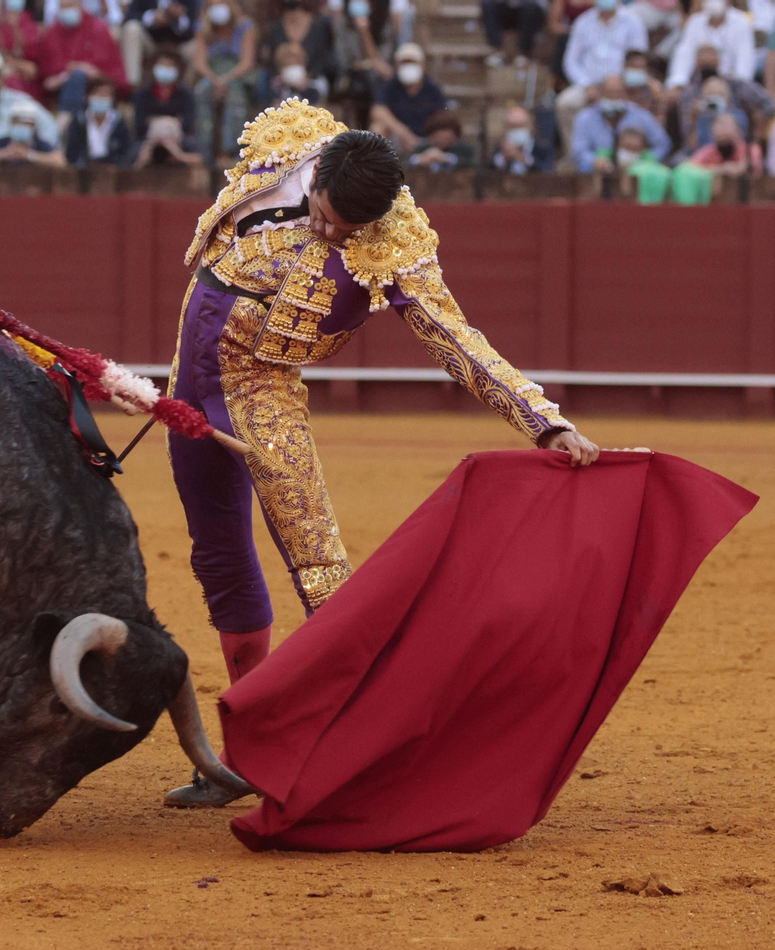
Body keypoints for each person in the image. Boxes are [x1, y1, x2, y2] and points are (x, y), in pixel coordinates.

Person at [160, 100, 597, 809]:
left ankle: (366, 751)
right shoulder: (293, 140)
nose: (328, 231)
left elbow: (458, 341)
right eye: (324, 214)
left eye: (344, 228)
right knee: (218, 557)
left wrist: (544, 423)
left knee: (321, 570)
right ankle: (249, 753)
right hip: (189, 380)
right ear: (315, 175)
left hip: (262, 390)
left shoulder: (395, 247)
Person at [556, 0, 647, 142]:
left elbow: (638, 59)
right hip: (589, 84)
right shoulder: (583, 21)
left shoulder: (633, 21)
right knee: (566, 103)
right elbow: (571, 61)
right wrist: (586, 85)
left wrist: (617, 84)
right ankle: (575, 154)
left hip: (622, 85)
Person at [35, 0, 128, 115]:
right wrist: (67, 74)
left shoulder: (98, 28)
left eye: (71, 6)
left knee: (79, 77)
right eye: (63, 8)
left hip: (95, 86)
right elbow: (48, 77)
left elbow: (108, 68)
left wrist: (82, 69)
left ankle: (67, 119)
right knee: (75, 77)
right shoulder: (52, 33)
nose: (67, 11)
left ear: (80, 5)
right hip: (62, 87)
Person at [190, 0, 257, 159]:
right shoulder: (203, 28)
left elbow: (247, 62)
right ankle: (205, 148)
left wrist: (226, 79)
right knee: (202, 92)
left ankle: (231, 150)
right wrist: (214, 79)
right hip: (212, 74)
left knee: (235, 96)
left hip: (238, 75)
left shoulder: (245, 27)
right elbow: (200, 62)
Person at [572, 73, 669, 171]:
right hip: (597, 168)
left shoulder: (641, 115)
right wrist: (595, 161)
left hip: (635, 166)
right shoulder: (585, 117)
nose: (614, 98)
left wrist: (648, 158)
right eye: (609, 93)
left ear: (625, 93)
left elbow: (663, 143)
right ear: (600, 93)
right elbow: (579, 150)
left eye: (617, 93)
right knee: (585, 167)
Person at [370, 42, 446, 154]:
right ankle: (378, 167)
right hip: (398, 138)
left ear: (422, 65)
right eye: (404, 63)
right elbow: (377, 111)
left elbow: (442, 116)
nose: (408, 67)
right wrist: (403, 133)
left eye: (412, 63)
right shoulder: (390, 86)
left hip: (426, 140)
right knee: (377, 128)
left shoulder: (433, 89)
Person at [666, 0, 754, 87]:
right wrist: (678, 83)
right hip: (698, 85)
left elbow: (744, 66)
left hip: (730, 86)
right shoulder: (695, 22)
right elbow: (683, 57)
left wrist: (735, 87)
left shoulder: (742, 23)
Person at [132, 49, 198, 163]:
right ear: (154, 68)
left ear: (177, 69)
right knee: (132, 153)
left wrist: (174, 144)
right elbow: (140, 125)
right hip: (149, 140)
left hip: (179, 140)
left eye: (169, 66)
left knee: (195, 147)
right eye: (162, 65)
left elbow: (188, 123)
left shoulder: (186, 95)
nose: (165, 69)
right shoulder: (142, 95)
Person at [258, 0, 336, 96]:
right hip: (281, 81)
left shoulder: (320, 26)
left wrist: (307, 78)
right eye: (290, 6)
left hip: (312, 80)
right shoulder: (274, 28)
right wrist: (285, 78)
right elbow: (268, 60)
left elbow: (325, 57)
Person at [120, 0, 197, 89]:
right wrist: (152, 17)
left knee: (195, 46)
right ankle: (132, 84)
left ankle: (185, 91)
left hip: (177, 45)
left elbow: (192, 30)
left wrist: (179, 18)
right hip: (151, 43)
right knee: (132, 28)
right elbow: (129, 17)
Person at [0, 99, 65, 165]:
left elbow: (60, 161)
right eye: (18, 123)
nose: (22, 126)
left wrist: (29, 155)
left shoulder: (40, 144)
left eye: (27, 124)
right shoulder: (0, 143)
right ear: (11, 123)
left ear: (34, 126)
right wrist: (3, 154)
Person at [65, 75, 133, 164]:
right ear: (88, 96)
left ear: (112, 99)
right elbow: (72, 152)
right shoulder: (79, 121)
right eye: (98, 94)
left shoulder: (119, 122)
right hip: (84, 170)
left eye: (106, 94)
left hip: (112, 170)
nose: (101, 98)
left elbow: (126, 151)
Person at [687, 110, 762, 172]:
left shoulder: (750, 149)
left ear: (738, 131)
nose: (721, 129)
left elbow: (750, 166)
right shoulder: (710, 150)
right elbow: (689, 168)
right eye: (717, 125)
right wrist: (721, 169)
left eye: (725, 125)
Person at [480, 0, 545, 67]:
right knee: (487, 3)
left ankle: (523, 54)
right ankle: (496, 52)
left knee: (530, 7)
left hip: (529, 10)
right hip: (504, 9)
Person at [407, 108, 473, 170]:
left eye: (447, 139)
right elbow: (406, 163)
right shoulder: (422, 148)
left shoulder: (464, 149)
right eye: (438, 138)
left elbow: (470, 164)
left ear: (455, 137)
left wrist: (447, 158)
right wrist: (420, 159)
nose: (442, 142)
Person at [492, 104, 548, 172]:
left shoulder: (542, 147)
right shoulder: (500, 148)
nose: (517, 130)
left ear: (531, 126)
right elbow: (489, 169)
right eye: (513, 126)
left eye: (521, 125)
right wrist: (504, 157)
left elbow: (548, 170)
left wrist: (523, 158)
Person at [267, 40, 325, 105]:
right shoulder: (275, 85)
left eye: (296, 64)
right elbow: (272, 103)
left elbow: (317, 103)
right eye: (288, 65)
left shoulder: (314, 84)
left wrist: (304, 89)